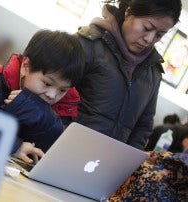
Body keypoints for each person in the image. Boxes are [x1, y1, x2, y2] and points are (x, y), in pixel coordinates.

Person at [0, 29, 85, 163]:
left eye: (62, 90)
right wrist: (13, 146)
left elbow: (57, 159)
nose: (52, 95)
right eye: (47, 83)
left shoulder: (64, 106)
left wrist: (44, 117)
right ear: (25, 66)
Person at [72, 0, 182, 150]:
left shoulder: (153, 72)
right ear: (128, 12)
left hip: (106, 167)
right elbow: (51, 99)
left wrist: (126, 165)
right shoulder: (88, 45)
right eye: (147, 27)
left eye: (159, 35)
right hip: (63, 152)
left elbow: (142, 128)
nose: (149, 39)